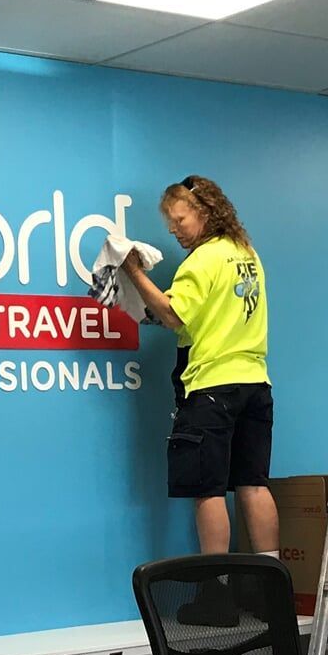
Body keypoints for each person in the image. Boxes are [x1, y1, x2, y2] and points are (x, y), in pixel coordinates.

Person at [123, 175, 275, 557]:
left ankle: (216, 584)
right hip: (256, 384)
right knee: (254, 485)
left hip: (211, 388)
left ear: (204, 212)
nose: (174, 230)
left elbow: (174, 314)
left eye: (180, 220)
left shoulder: (202, 260)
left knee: (207, 490)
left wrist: (135, 273)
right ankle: (274, 579)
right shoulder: (246, 253)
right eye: (170, 224)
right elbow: (206, 315)